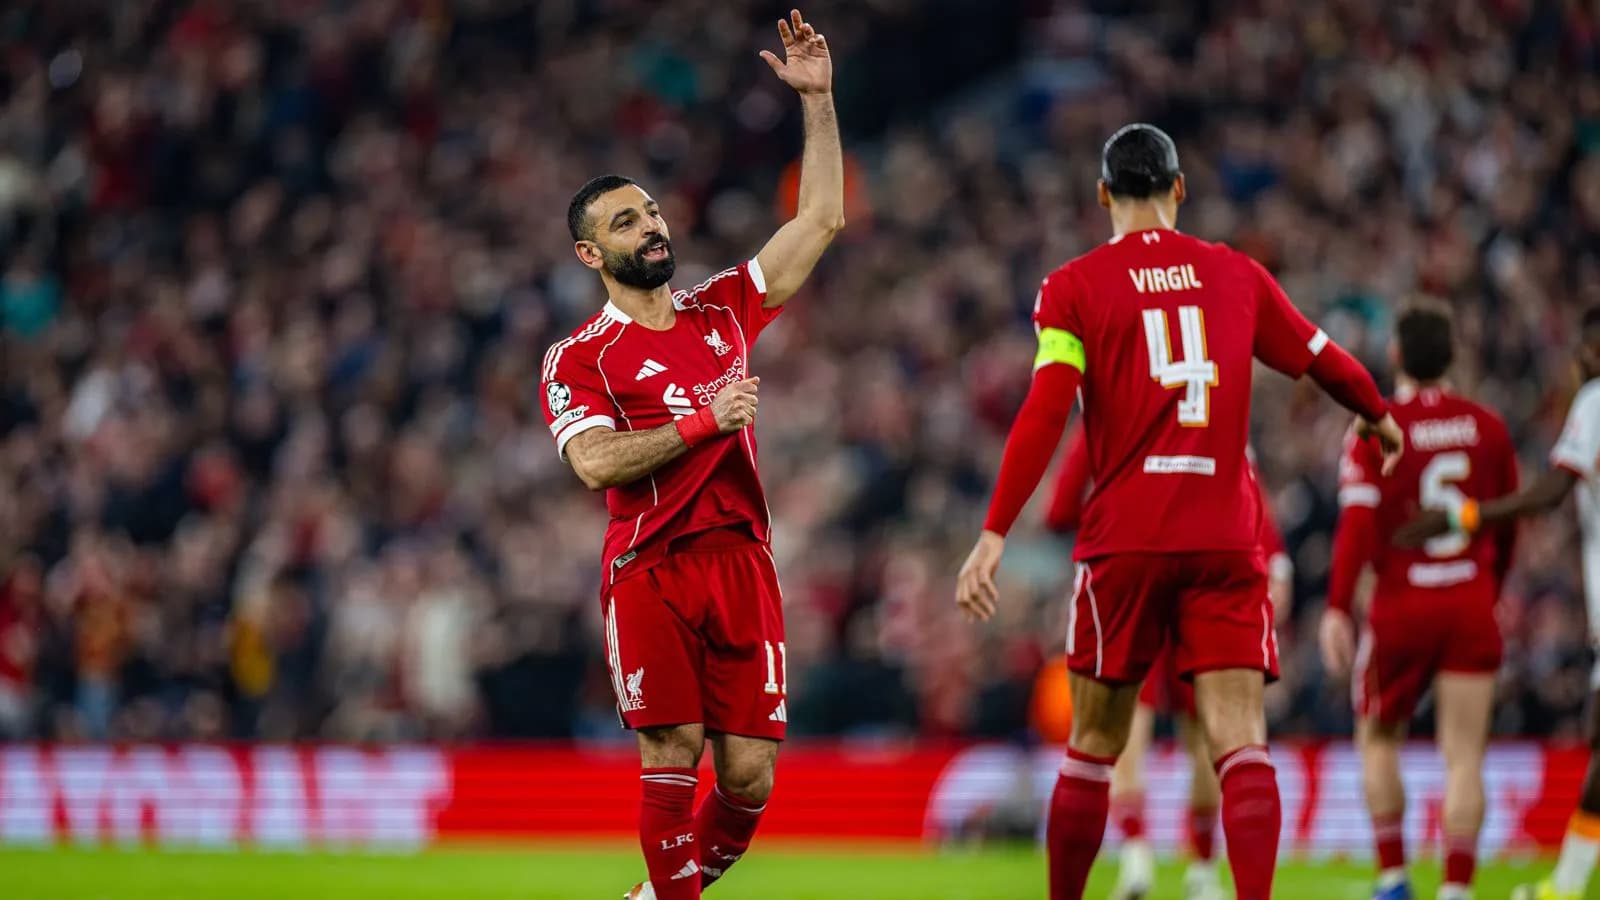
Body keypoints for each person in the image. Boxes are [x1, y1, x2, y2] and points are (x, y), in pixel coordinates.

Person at [954, 122, 1404, 900]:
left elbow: (1046, 410)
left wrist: (994, 531)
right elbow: (1321, 356)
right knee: (1241, 744)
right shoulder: (1237, 275)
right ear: (1180, 190)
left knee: (1094, 745)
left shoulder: (1073, 287)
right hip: (1224, 539)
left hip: (1125, 541)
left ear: (1103, 195)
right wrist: (1378, 413)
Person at [538, 11, 843, 900]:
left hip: (743, 562)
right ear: (591, 253)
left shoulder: (722, 310)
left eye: (652, 211)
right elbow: (594, 464)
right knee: (671, 749)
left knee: (748, 779)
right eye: (626, 221)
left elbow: (821, 219)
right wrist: (704, 422)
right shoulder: (580, 356)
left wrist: (818, 101)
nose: (651, 226)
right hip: (652, 565)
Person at [1398, 305, 1600, 900]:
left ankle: (1566, 885)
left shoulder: (1594, 400)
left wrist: (1464, 515)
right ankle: (1567, 882)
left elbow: (1552, 491)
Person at [1320, 303, 1519, 900]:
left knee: (1378, 737)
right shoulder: (1488, 426)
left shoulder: (1374, 427)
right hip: (1469, 601)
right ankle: (1456, 889)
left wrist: (1337, 606)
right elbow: (1507, 523)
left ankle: (1394, 878)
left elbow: (1357, 524)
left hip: (1401, 606)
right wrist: (1490, 589)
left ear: (1396, 355)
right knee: (1465, 756)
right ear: (1453, 354)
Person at [1044, 431, 1294, 900]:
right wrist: (1277, 561)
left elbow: (1059, 508)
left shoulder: (1112, 407)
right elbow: (1246, 482)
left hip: (1132, 568)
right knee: (1213, 733)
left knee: (1118, 728)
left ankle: (1136, 850)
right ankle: (1202, 868)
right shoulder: (1214, 403)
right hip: (1206, 578)